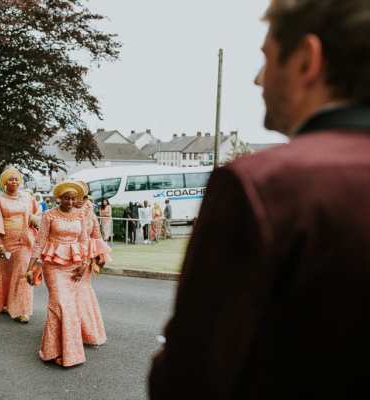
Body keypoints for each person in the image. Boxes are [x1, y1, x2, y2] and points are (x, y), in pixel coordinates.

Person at [149, 1, 370, 398]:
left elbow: (189, 378)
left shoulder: (262, 184)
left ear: (306, 59)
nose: (257, 80)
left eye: (266, 59)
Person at [28, 181, 107, 367]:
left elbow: (85, 242)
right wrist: (29, 267)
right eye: (66, 198)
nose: (70, 202)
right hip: (52, 267)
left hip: (74, 266)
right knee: (60, 304)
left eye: (73, 198)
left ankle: (65, 352)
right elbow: (39, 242)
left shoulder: (81, 215)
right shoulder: (48, 215)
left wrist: (84, 264)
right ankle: (52, 350)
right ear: (59, 198)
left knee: (70, 307)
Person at [0, 167, 40, 323]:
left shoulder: (27, 197)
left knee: (23, 272)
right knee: (7, 273)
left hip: (26, 240)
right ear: (4, 183)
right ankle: (5, 303)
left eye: (16, 179)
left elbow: (37, 213)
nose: (14, 181)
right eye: (10, 179)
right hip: (7, 241)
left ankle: (22, 310)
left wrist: (35, 220)